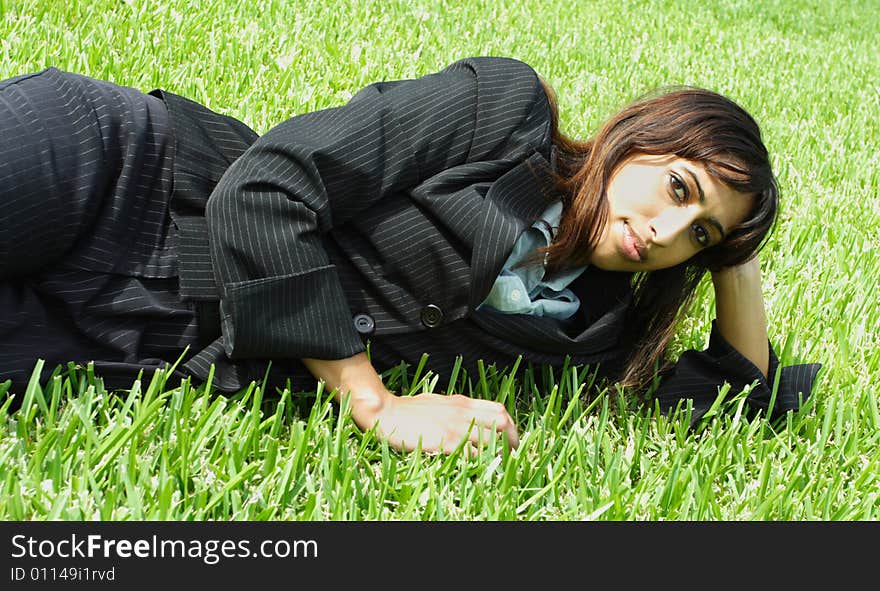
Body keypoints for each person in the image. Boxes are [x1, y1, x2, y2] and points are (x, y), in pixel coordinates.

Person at [0, 57, 820, 455]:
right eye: (678, 188)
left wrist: (735, 252)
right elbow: (267, 186)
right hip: (125, 171)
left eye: (697, 235)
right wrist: (374, 401)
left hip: (133, 334)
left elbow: (730, 410)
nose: (669, 234)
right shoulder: (503, 113)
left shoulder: (594, 329)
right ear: (636, 139)